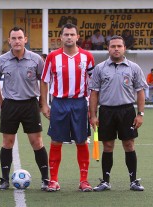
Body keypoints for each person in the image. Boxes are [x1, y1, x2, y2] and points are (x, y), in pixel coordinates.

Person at [0, 27, 49, 191]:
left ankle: (45, 179)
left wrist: (43, 102)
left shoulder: (36, 59)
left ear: (25, 39)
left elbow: (43, 81)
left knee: (37, 142)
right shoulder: (2, 60)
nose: (17, 41)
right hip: (10, 105)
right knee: (7, 142)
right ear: (9, 40)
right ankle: (4, 180)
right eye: (13, 38)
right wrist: (1, 101)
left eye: (20, 38)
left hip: (30, 104)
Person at [89, 35, 148, 192]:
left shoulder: (133, 67)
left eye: (119, 46)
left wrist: (140, 113)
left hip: (127, 111)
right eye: (112, 46)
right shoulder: (100, 68)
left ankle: (133, 181)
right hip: (107, 111)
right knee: (107, 146)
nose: (116, 49)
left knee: (129, 145)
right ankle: (105, 181)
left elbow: (140, 91)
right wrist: (93, 115)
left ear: (124, 48)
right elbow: (94, 93)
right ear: (108, 48)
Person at [40, 23, 95, 192]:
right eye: (66, 34)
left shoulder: (87, 57)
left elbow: (94, 85)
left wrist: (92, 112)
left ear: (78, 37)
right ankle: (54, 180)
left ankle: (84, 181)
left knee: (81, 140)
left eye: (72, 34)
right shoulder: (52, 57)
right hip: (59, 103)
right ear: (61, 37)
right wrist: (44, 104)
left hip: (79, 103)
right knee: (56, 140)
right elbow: (44, 81)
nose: (69, 37)